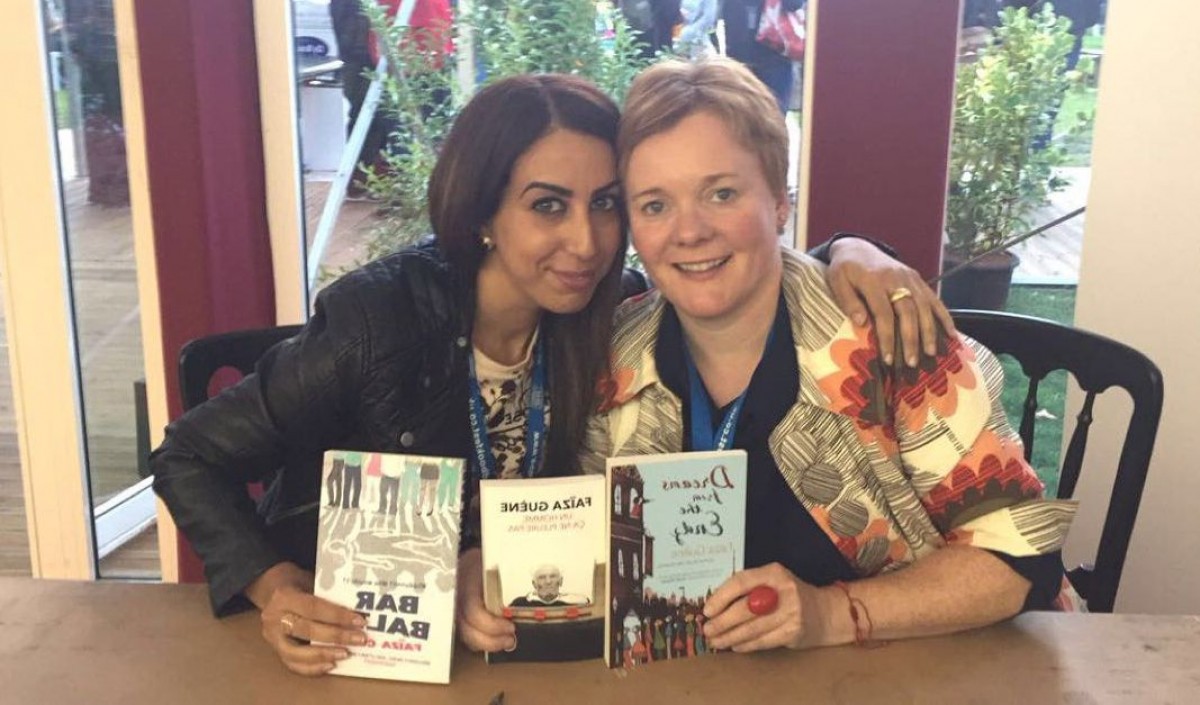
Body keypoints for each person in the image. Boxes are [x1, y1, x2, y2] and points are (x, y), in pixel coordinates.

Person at [152, 71, 946, 676]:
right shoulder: (376, 322)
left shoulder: (611, 315)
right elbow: (188, 454)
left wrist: (852, 251)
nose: (587, 242)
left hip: (537, 653)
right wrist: (276, 587)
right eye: (547, 205)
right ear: (482, 214)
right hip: (359, 652)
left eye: (606, 203)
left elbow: (749, 259)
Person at [582, 57, 1077, 654]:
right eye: (655, 205)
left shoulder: (891, 336)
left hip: (932, 670)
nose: (689, 232)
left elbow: (1017, 558)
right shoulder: (611, 362)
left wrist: (832, 615)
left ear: (779, 201)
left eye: (721, 193)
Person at [508, 565, 592, 607]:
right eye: (542, 577)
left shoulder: (578, 602)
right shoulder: (519, 604)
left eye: (553, 576)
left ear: (561, 581)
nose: (548, 582)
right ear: (534, 584)